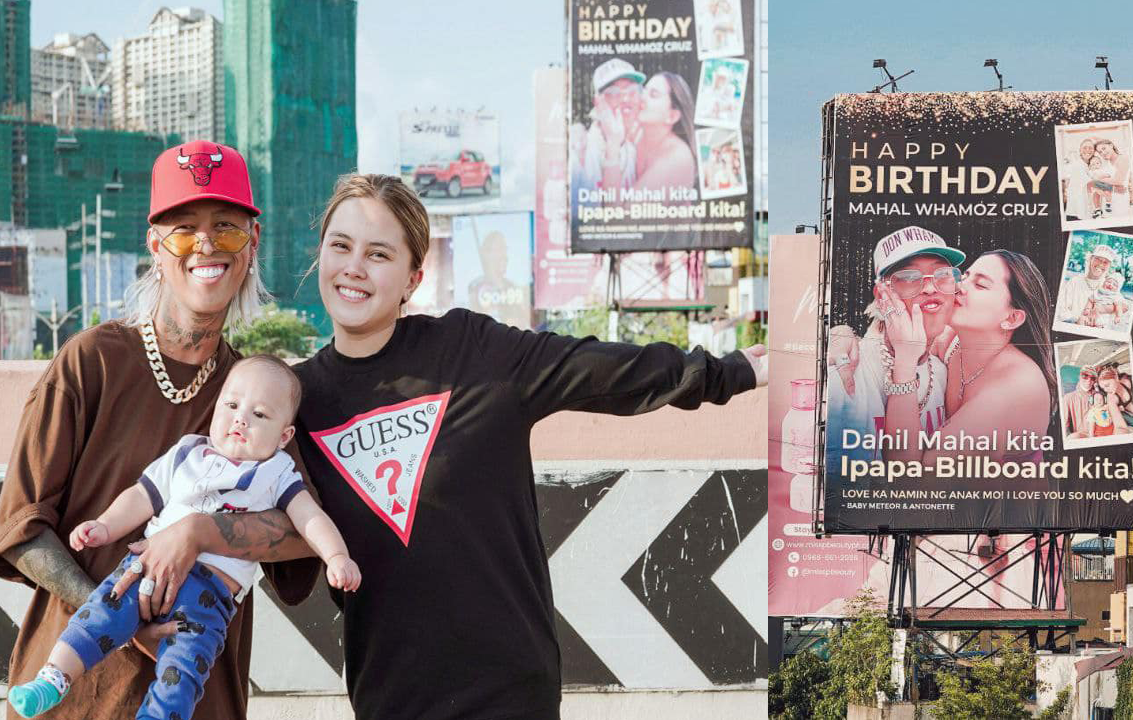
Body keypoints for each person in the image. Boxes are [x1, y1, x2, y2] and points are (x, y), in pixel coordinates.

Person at [122, 173, 760, 720]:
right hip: (389, 696)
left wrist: (734, 372)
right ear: (320, 258)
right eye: (340, 246)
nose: (354, 267)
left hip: (511, 692)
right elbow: (272, 537)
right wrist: (187, 544)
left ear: (412, 277)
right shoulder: (295, 403)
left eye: (379, 254)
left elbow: (605, 370)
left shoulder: (475, 352)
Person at [0, 141, 321, 720]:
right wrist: (125, 619)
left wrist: (198, 531)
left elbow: (300, 535)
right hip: (72, 701)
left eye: (225, 227)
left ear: (251, 244)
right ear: (155, 245)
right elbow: (20, 527)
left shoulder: (255, 396)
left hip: (200, 703)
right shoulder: (91, 360)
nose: (205, 244)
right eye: (183, 228)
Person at [7, 356, 359, 719]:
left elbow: (310, 517)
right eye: (233, 405)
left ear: (284, 436)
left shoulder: (276, 472)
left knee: (184, 669)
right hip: (144, 572)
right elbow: (142, 496)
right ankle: (53, 678)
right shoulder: (188, 453)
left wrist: (336, 557)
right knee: (98, 616)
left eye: (260, 415)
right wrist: (105, 526)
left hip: (207, 598)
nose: (241, 419)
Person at [879, 249, 1056, 462]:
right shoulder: (951, 341)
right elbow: (892, 334)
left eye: (980, 285)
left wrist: (905, 365)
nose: (959, 287)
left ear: (1012, 318)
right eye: (963, 277)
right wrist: (841, 336)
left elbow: (909, 479)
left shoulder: (1016, 386)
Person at [825, 226, 965, 463]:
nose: (931, 288)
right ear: (882, 296)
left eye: (942, 275)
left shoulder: (941, 372)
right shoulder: (847, 371)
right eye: (910, 277)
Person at [602, 71, 698, 194]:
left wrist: (612, 146)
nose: (642, 97)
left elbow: (616, 212)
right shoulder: (639, 134)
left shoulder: (676, 159)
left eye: (653, 94)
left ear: (672, 116)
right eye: (644, 90)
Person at [570, 58, 644, 193]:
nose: (625, 99)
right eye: (614, 93)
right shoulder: (579, 149)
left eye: (632, 91)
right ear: (597, 102)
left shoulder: (633, 153)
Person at [466, 230, 529, 327]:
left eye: (505, 250)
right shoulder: (476, 287)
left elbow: (524, 321)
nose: (504, 256)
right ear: (486, 255)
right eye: (499, 249)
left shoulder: (513, 288)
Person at [1057, 243, 1118, 326]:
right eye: (1098, 259)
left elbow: (1123, 306)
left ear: (1109, 266)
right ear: (1090, 259)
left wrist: (1101, 309)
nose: (1100, 264)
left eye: (1105, 262)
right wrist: (1078, 319)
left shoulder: (1109, 285)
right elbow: (1060, 309)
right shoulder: (1075, 281)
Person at [1091, 139, 1131, 216]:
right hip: (1107, 200)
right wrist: (1112, 187)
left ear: (1111, 145)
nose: (1103, 153)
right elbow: (1096, 183)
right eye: (1100, 152)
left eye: (1104, 148)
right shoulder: (1106, 162)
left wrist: (1098, 180)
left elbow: (1118, 181)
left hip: (1120, 200)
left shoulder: (1122, 159)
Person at [1060, 137, 1096, 221]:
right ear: (1080, 150)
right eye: (1084, 148)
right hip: (1075, 212)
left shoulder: (1090, 166)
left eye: (1090, 148)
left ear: (1094, 151)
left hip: (1084, 211)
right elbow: (1090, 183)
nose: (1087, 150)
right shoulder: (1077, 165)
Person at [1062, 366, 1098, 436]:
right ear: (1079, 377)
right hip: (1082, 436)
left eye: (1092, 378)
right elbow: (1064, 425)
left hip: (1101, 433)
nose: (1089, 380)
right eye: (1085, 376)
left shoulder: (1098, 396)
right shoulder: (1068, 398)